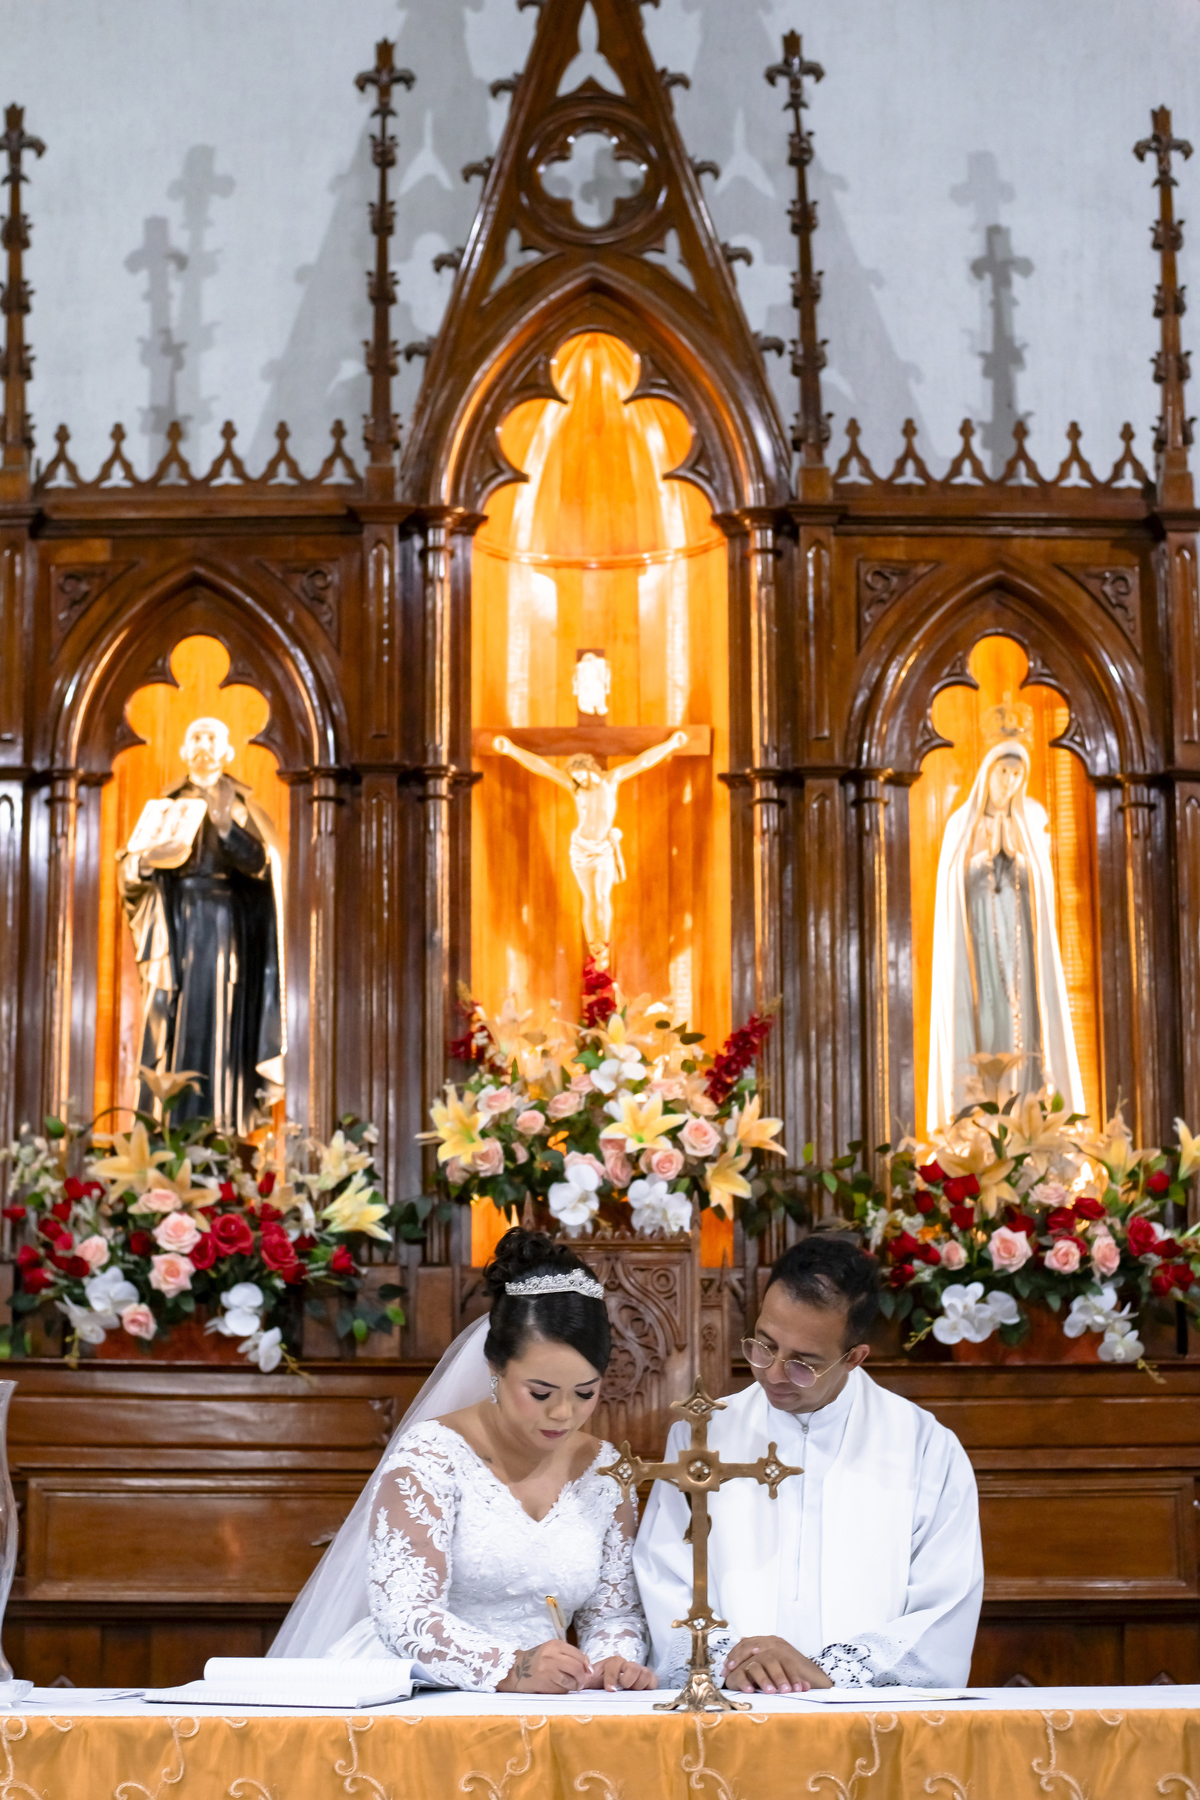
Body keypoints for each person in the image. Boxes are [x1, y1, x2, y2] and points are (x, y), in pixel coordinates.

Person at [269, 1229, 656, 1694]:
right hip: (417, 1687)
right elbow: (405, 1614)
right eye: (540, 1393)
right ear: (494, 1369)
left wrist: (613, 1663)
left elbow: (614, 1613)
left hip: (546, 1698)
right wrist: (512, 1667)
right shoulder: (431, 1456)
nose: (563, 1414)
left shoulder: (604, 1468)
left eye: (585, 1393)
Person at [633, 1235, 983, 1691]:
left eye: (803, 1363)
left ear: (854, 1358)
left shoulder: (924, 1449)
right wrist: (734, 1664)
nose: (774, 1373)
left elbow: (943, 1610)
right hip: (732, 1711)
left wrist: (825, 1675)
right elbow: (666, 1578)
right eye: (763, 1345)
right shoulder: (702, 1436)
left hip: (866, 1725)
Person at [116, 716, 284, 1133]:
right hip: (176, 924)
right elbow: (130, 867)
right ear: (183, 749)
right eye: (195, 737)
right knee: (175, 1015)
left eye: (212, 738)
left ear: (227, 751)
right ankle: (168, 1126)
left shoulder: (242, 805)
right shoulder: (165, 805)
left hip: (228, 926)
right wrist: (144, 862)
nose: (203, 745)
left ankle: (222, 1126)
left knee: (223, 1020)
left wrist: (227, 827)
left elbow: (266, 867)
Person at [928, 717, 1085, 1131]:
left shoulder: (1029, 824)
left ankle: (1028, 1119)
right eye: (1003, 771)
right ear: (987, 772)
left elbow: (1043, 888)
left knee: (1026, 1029)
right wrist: (987, 857)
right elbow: (953, 888)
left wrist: (1016, 857)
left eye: (1017, 774)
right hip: (979, 952)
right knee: (990, 1025)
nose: (1010, 782)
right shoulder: (962, 825)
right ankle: (982, 1123)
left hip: (1021, 954)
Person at [492, 730, 687, 962]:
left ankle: (604, 941)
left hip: (602, 848)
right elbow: (542, 767)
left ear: (589, 768)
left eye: (580, 775)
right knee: (588, 898)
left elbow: (642, 762)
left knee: (603, 896)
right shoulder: (575, 789)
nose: (578, 781)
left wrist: (671, 745)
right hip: (580, 849)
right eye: (574, 778)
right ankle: (591, 944)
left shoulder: (611, 781)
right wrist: (511, 750)